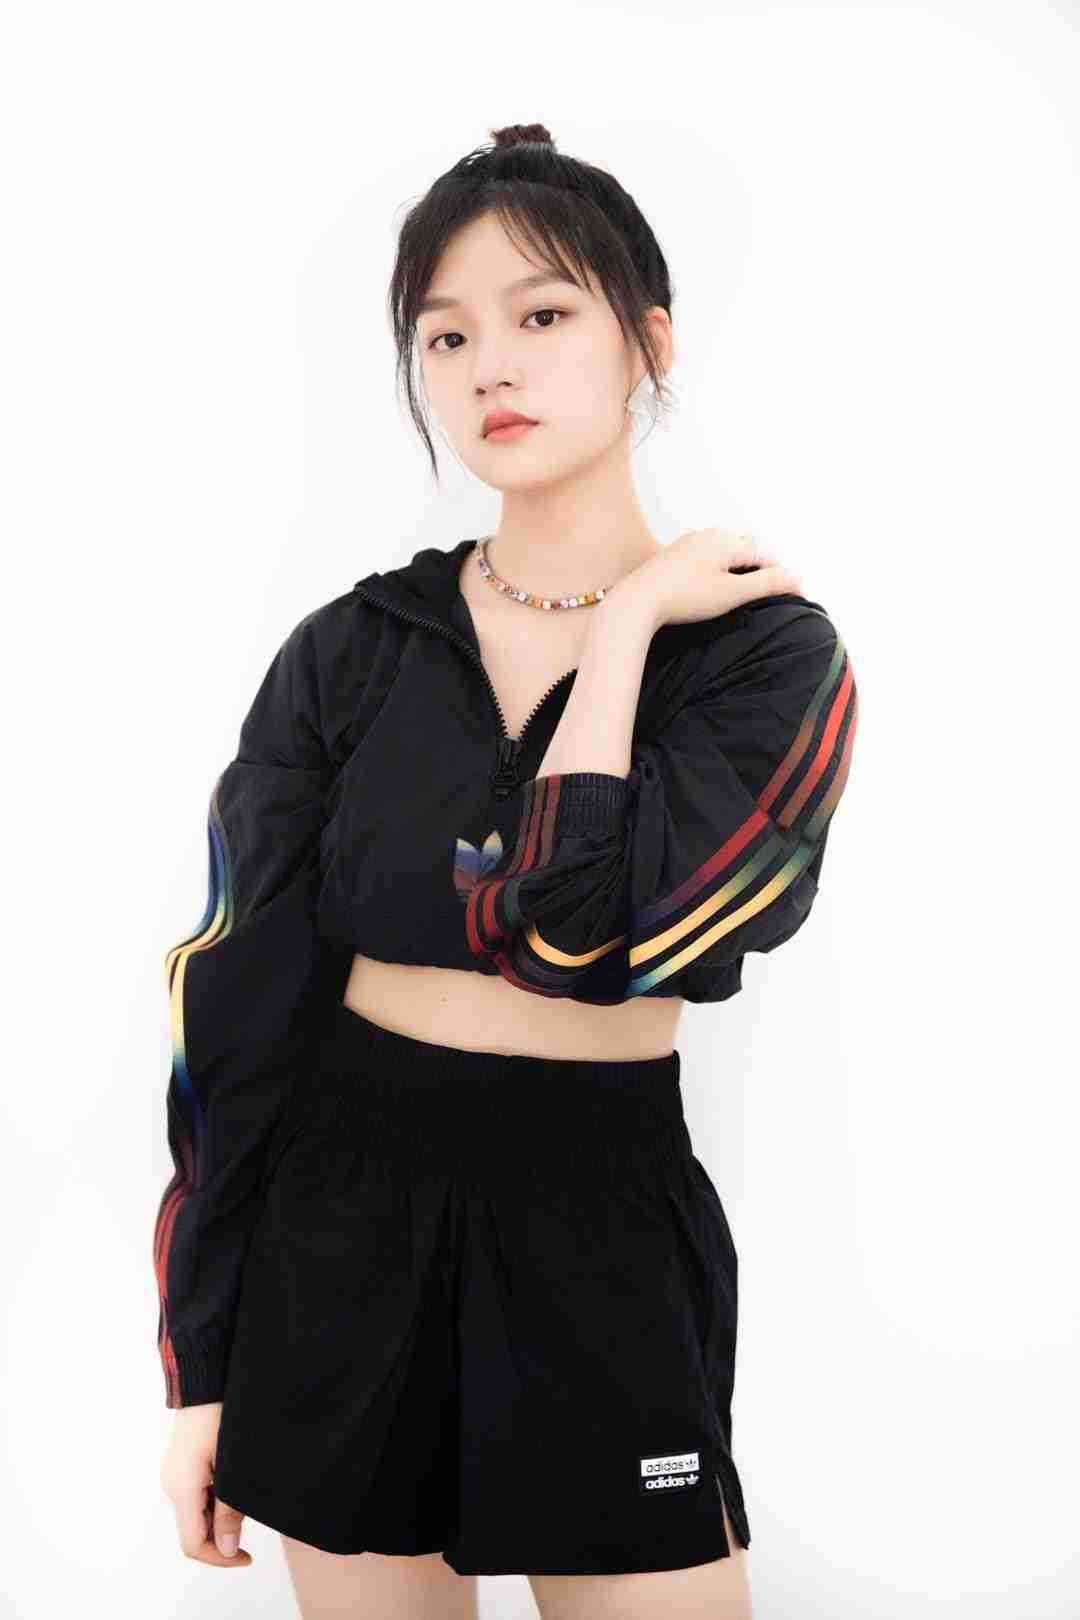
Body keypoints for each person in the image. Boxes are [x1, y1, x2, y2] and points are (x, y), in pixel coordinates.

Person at [154, 122, 858, 1620]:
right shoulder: (352, 652)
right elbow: (238, 1014)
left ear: (649, 342)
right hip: (341, 1222)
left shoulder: (765, 661)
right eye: (447, 334)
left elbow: (587, 936)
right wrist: (199, 1366)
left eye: (543, 315)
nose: (491, 368)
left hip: (599, 1220)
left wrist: (625, 633)